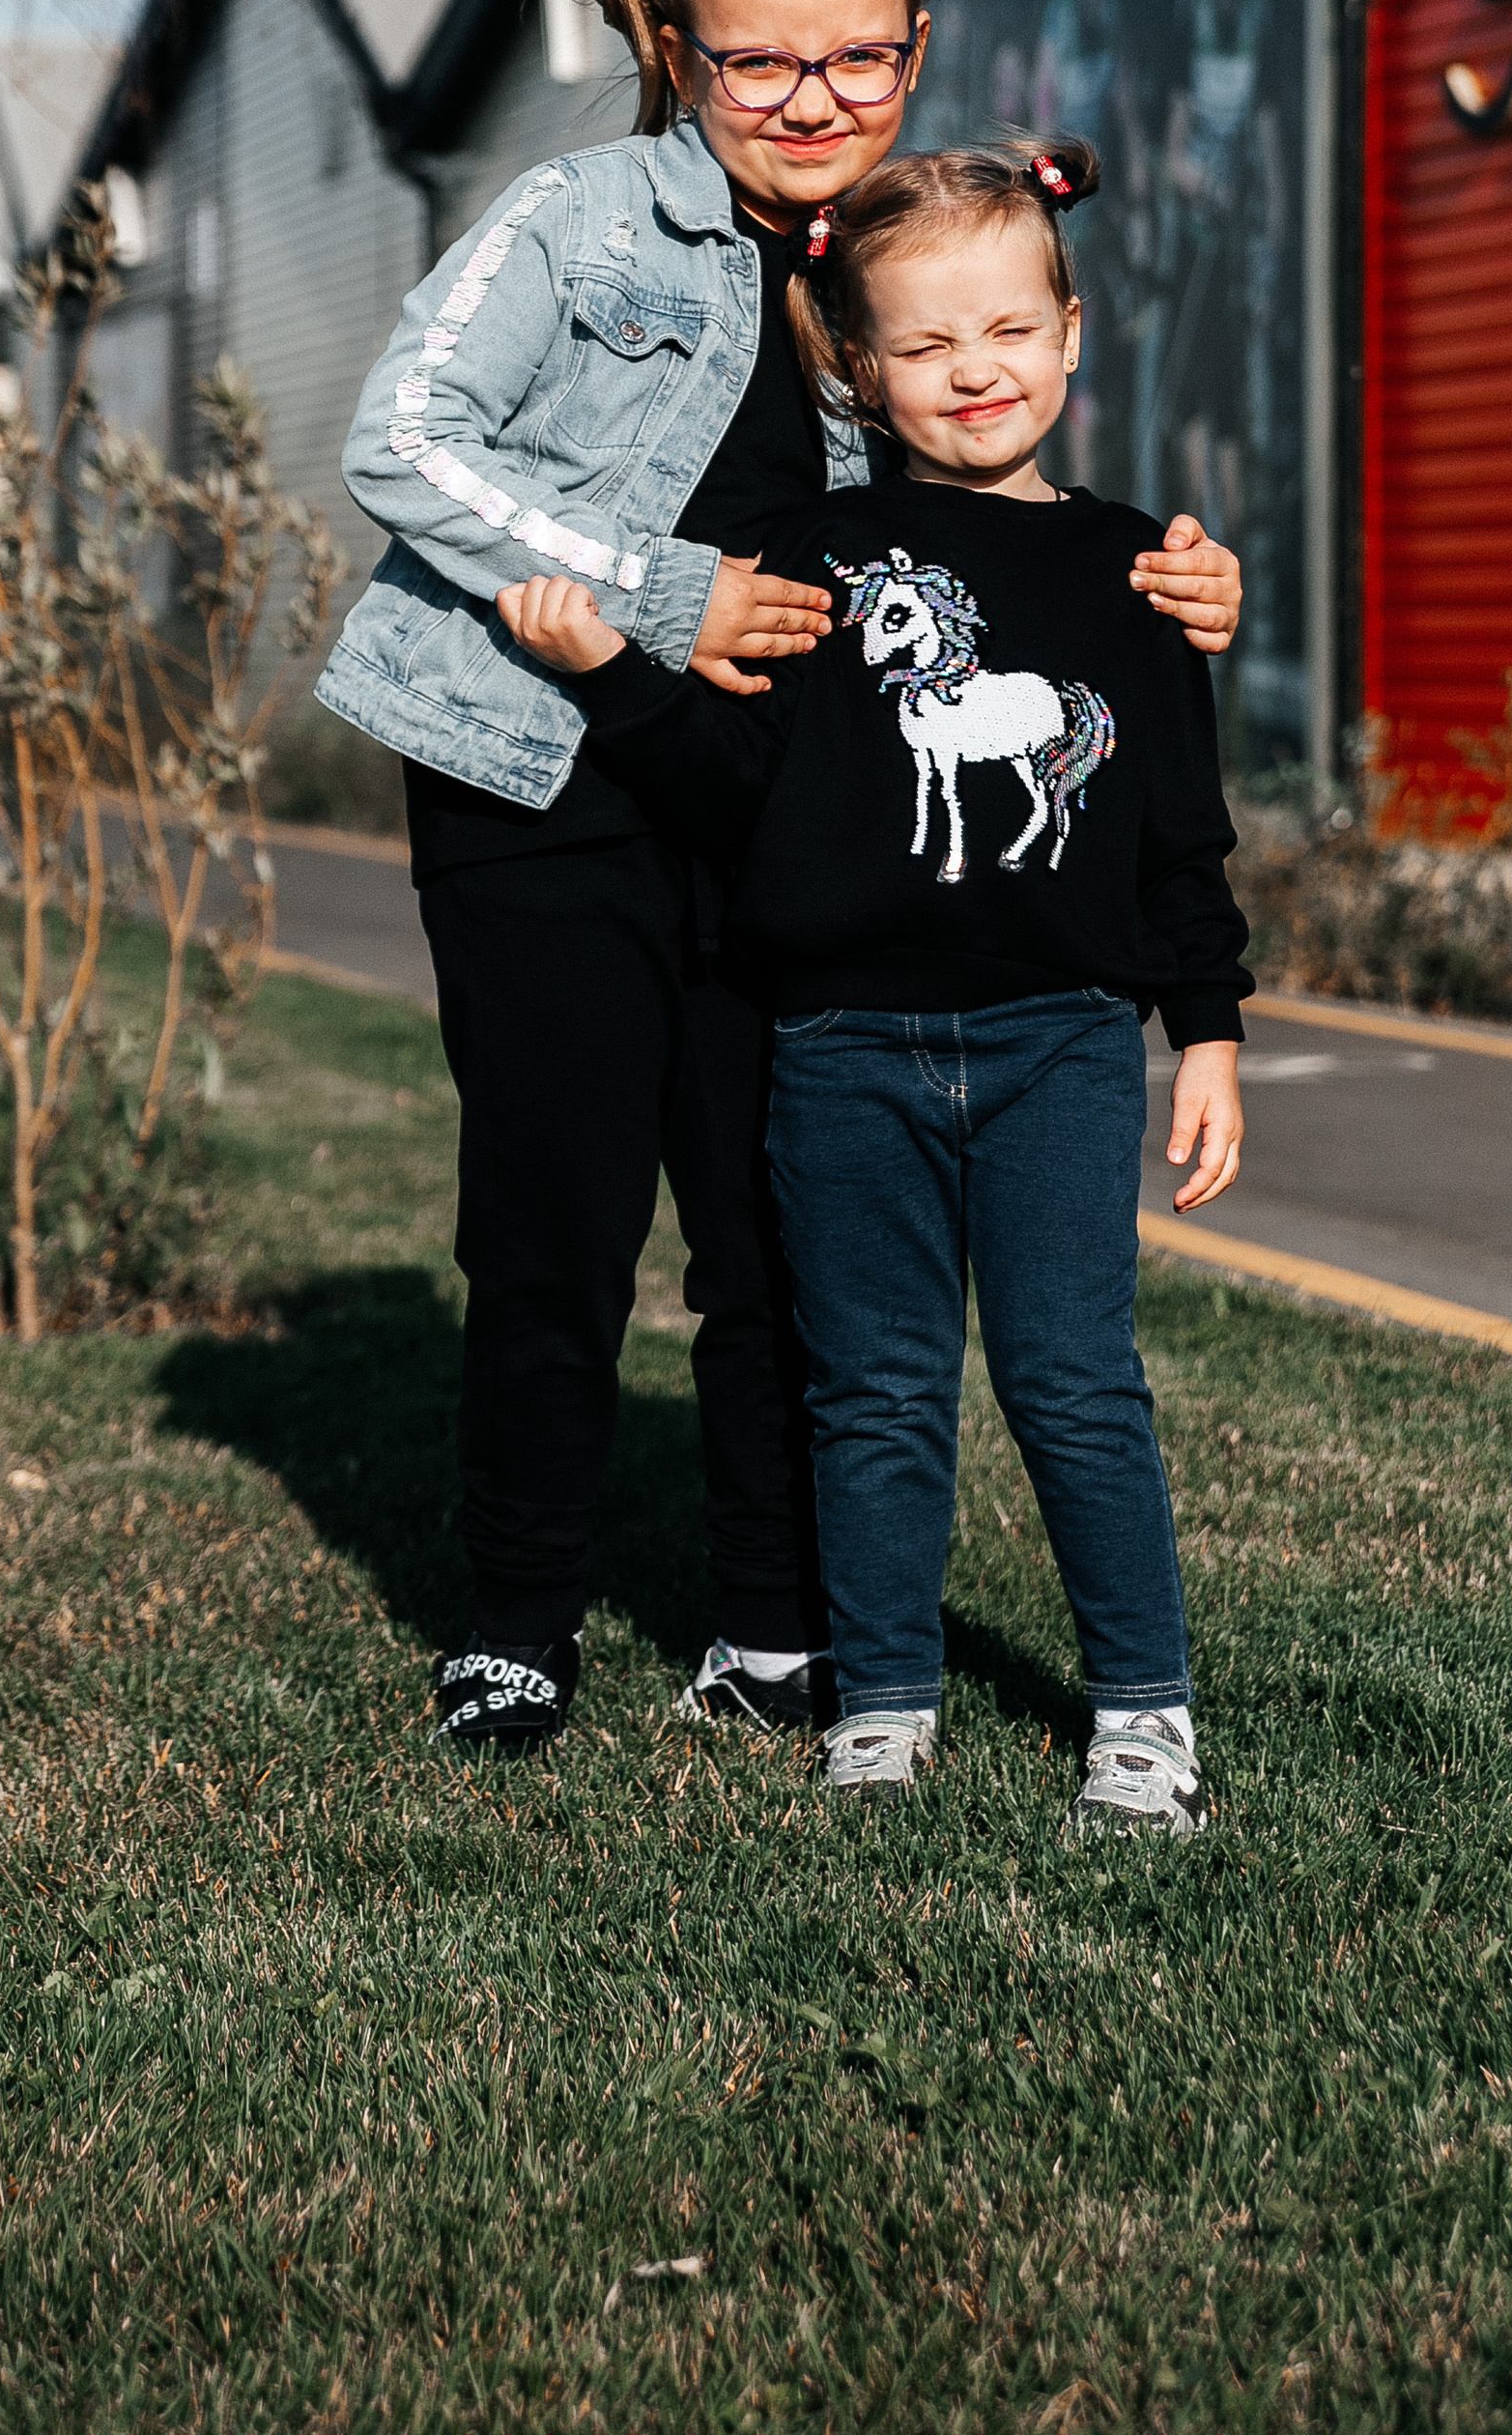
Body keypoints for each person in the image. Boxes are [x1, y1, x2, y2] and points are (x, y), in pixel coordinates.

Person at [316, 0, 1243, 1755]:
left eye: (861, 58)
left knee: (766, 1231)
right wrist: (655, 593)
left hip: (777, 818)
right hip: (542, 781)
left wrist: (1167, 579)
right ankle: (517, 1618)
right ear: (683, 55)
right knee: (557, 1219)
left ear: (911, 46)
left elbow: (986, 486)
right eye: (760, 61)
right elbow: (398, 438)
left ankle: (767, 1619)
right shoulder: (571, 226)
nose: (814, 99)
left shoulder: (886, 255)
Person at [496, 135, 1247, 1843]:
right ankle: (883, 1704)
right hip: (840, 1057)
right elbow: (737, 785)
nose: (971, 373)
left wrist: (1203, 1033)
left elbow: (1180, 838)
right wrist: (612, 670)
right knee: (877, 1390)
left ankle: (1144, 1714)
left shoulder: (1140, 572)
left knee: (1076, 1383)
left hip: (1062, 1049)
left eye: (1005, 332)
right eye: (923, 344)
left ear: (1071, 332)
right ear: (860, 362)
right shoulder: (818, 560)